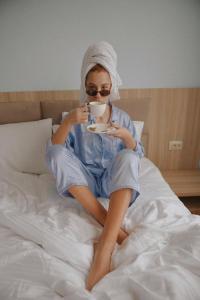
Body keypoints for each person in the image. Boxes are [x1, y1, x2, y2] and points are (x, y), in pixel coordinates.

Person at [46, 41, 144, 291]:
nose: (98, 96)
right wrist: (67, 122)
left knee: (129, 157)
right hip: (86, 180)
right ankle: (106, 220)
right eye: (92, 91)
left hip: (112, 181)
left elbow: (138, 154)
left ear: (112, 87)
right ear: (84, 88)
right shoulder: (75, 116)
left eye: (104, 90)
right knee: (56, 155)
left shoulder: (122, 118)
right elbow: (54, 151)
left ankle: (106, 246)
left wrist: (126, 136)